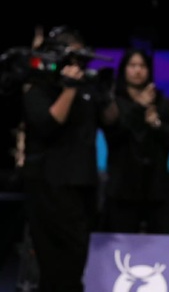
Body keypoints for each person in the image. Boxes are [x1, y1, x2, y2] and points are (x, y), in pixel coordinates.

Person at [21, 25, 118, 292]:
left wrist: (107, 95)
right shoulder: (39, 88)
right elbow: (48, 124)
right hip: (48, 185)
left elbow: (111, 123)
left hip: (83, 183)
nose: (77, 63)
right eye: (72, 56)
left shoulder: (88, 87)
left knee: (77, 256)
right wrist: (69, 88)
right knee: (54, 261)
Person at [101, 48, 169, 234]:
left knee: (164, 241)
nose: (137, 70)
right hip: (122, 188)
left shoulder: (161, 101)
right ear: (124, 69)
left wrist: (156, 124)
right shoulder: (114, 101)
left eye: (142, 66)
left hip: (156, 187)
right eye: (132, 65)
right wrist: (139, 107)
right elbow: (114, 134)